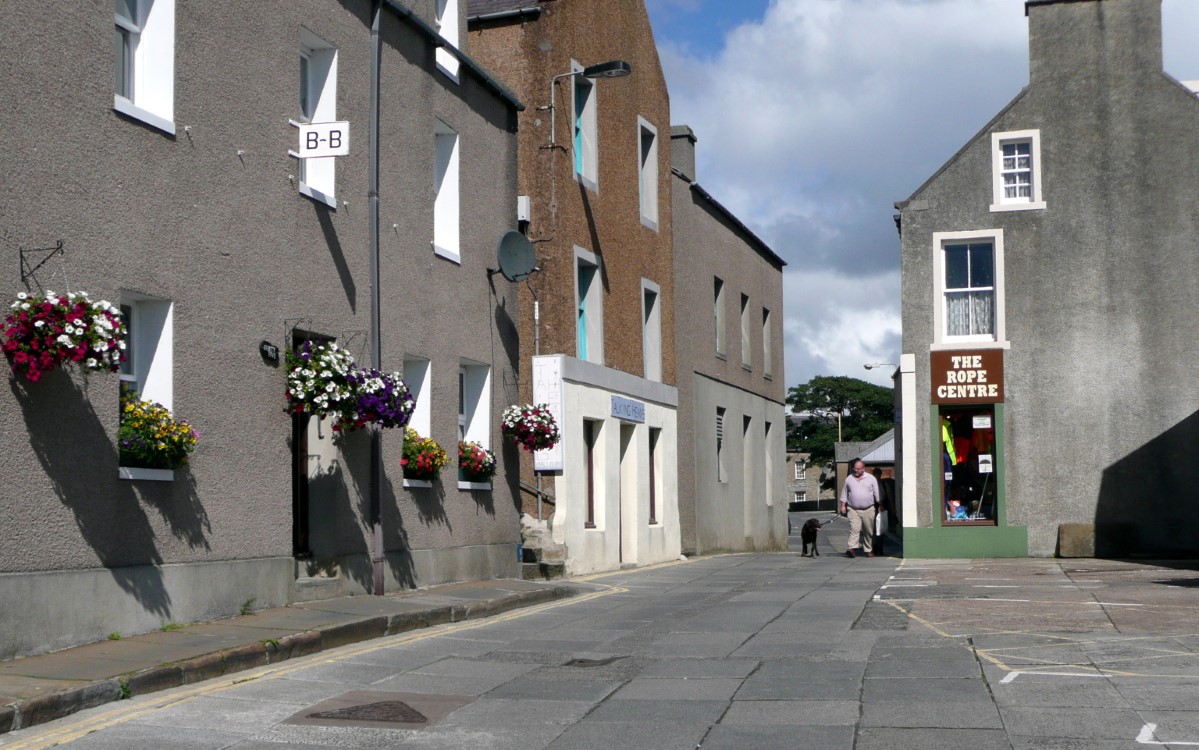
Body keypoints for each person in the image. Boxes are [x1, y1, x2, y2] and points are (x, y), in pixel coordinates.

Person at [839, 458, 878, 558]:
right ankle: (852, 549)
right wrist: (843, 505)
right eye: (854, 469)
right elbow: (844, 493)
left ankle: (868, 549)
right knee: (854, 529)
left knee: (868, 531)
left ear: (863, 469)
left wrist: (880, 504)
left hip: (868, 509)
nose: (856, 471)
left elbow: (876, 493)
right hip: (853, 509)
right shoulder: (849, 479)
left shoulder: (871, 479)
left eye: (858, 469)